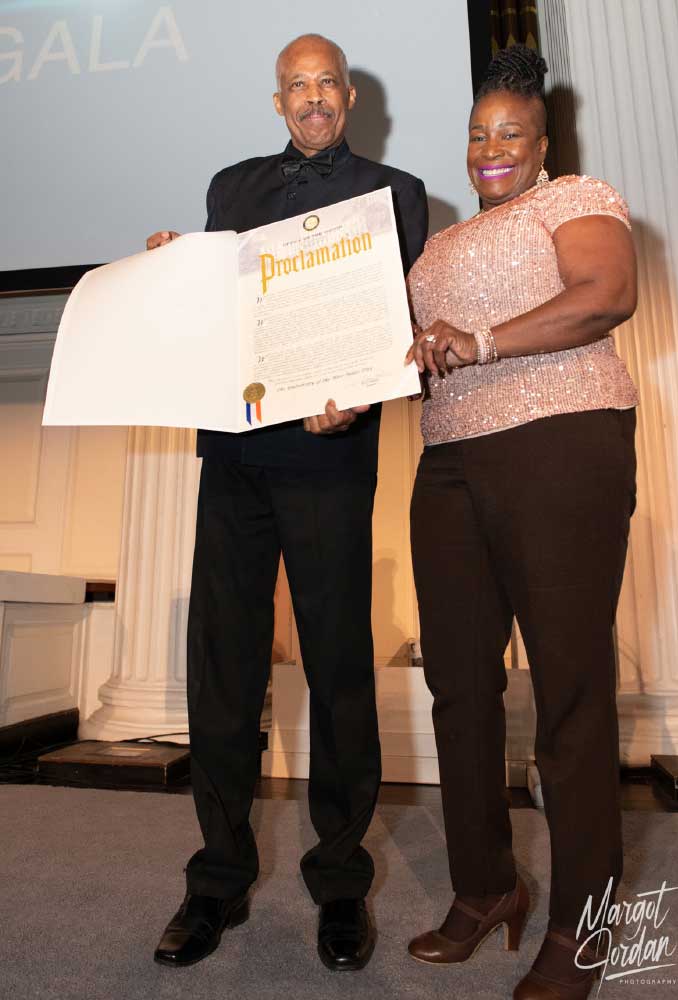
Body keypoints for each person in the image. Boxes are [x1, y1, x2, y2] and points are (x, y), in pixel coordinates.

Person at [146, 33, 428, 971]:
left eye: (325, 84)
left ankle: (341, 885)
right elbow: (221, 308)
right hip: (233, 459)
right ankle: (214, 884)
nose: (312, 99)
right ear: (278, 102)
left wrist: (359, 389)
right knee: (223, 673)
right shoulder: (230, 187)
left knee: (341, 673)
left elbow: (396, 325)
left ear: (350, 97)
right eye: (295, 86)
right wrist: (169, 267)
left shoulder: (396, 194)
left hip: (330, 462)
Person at [404, 45, 638, 1000]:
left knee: (568, 695)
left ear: (542, 145)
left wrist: (484, 340)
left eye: (509, 134)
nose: (489, 150)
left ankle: (586, 928)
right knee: (458, 689)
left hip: (561, 442)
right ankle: (485, 889)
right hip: (449, 459)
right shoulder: (440, 243)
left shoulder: (573, 199)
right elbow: (421, 352)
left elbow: (604, 296)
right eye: (476, 135)